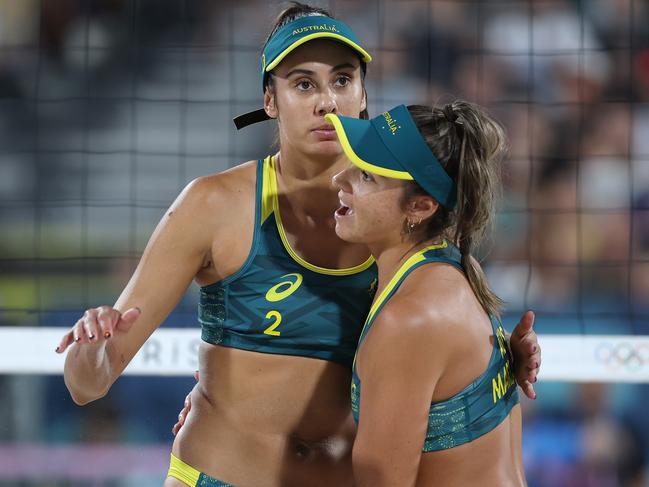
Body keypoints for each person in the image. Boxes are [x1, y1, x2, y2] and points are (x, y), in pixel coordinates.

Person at [56, 4, 539, 486]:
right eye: (304, 84)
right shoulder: (213, 205)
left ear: (364, 95)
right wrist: (92, 348)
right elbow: (88, 385)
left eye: (343, 80)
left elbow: (447, 343)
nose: (326, 101)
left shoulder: (402, 210)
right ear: (271, 100)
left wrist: (496, 360)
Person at [327, 102, 526, 486]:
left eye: (366, 176)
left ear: (420, 207)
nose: (339, 178)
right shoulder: (453, 269)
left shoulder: (411, 318)